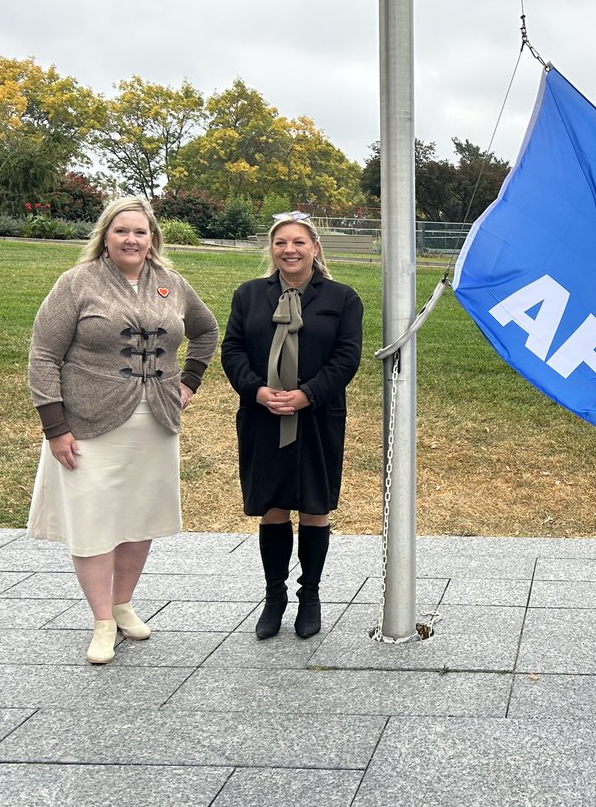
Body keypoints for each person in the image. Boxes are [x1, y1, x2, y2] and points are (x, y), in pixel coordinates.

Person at [27, 196, 218, 664]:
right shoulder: (77, 284)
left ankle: (122, 603)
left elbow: (207, 330)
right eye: (122, 231)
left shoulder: (171, 284)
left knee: (138, 516)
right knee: (93, 518)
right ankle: (101, 621)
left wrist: (188, 381)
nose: (131, 239)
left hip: (154, 423)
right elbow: (43, 355)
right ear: (105, 236)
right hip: (88, 422)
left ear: (153, 239)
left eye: (140, 232)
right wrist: (56, 427)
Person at [221, 212, 362, 640]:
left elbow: (346, 356)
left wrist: (306, 394)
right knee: (274, 506)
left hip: (318, 418)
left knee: (315, 508)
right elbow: (233, 350)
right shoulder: (249, 295)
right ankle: (274, 596)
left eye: (299, 242)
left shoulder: (342, 298)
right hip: (263, 418)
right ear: (272, 249)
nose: (290, 250)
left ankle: (311, 596)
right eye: (281, 242)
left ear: (315, 248)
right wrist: (258, 391)